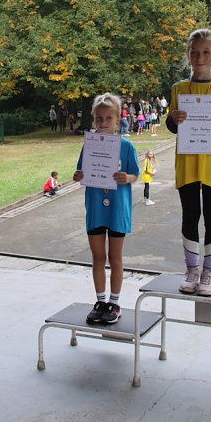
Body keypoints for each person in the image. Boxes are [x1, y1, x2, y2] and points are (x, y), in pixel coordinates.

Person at [166, 28, 211, 297]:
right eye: (194, 52)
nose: (199, 57)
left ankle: (210, 272)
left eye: (206, 52)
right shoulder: (179, 89)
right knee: (190, 216)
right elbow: (171, 127)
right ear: (189, 55)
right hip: (186, 162)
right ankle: (191, 269)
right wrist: (174, 119)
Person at [74, 93, 140, 323]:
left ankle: (114, 302)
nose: (103, 124)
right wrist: (78, 175)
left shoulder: (126, 146)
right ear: (94, 120)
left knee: (115, 256)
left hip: (117, 209)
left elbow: (135, 175)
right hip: (95, 207)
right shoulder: (89, 145)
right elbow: (80, 172)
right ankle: (100, 301)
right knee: (98, 256)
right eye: (99, 119)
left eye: (108, 119)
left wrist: (127, 177)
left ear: (117, 119)